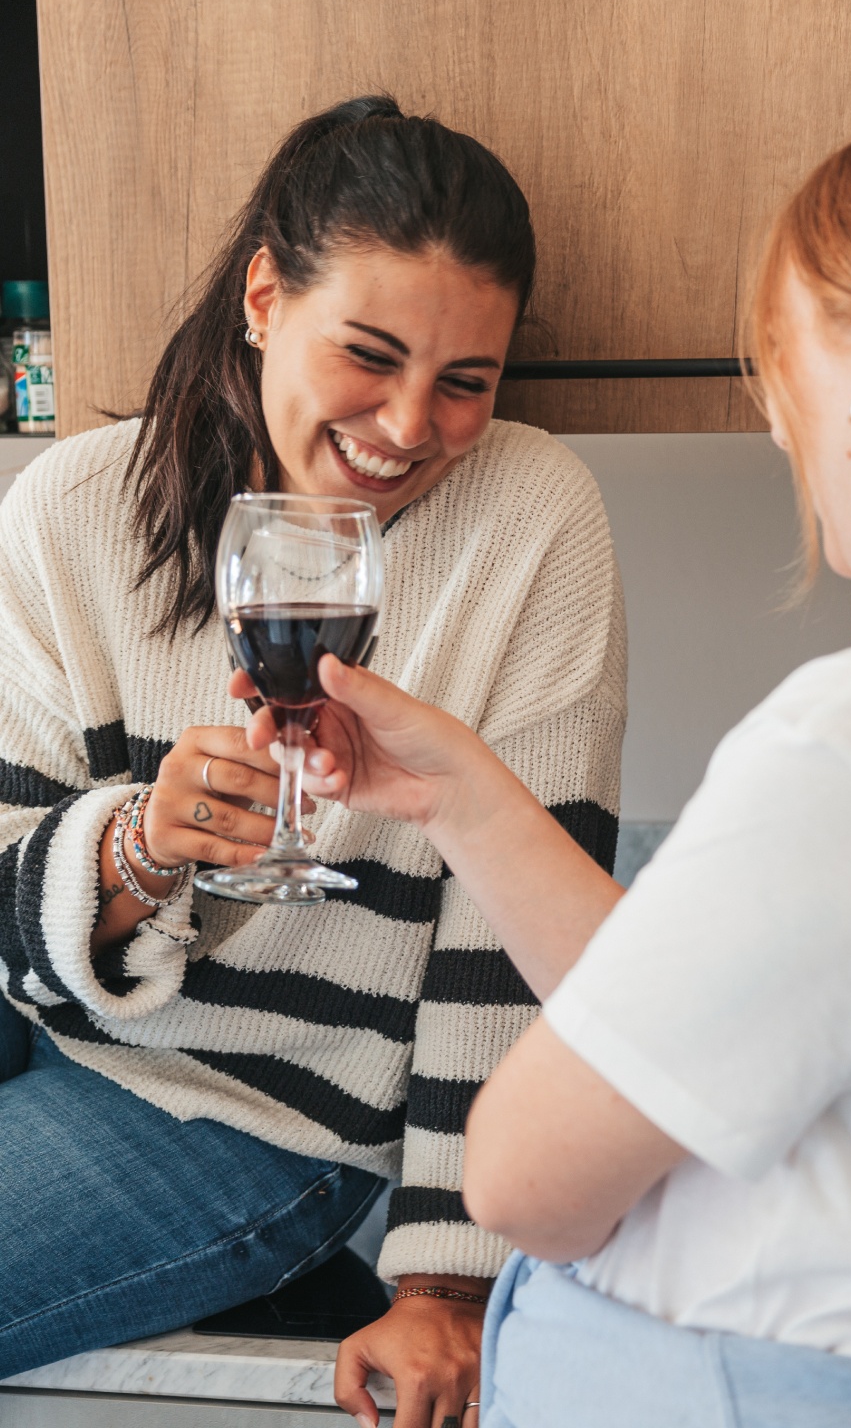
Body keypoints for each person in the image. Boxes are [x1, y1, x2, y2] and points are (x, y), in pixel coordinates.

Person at [277, 90, 851, 1427]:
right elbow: (696, 1025)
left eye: (783, 359)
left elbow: (524, 1180)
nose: (780, 423)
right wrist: (460, 796)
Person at [0, 95, 626, 1428]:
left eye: (467, 380)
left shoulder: (530, 515)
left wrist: (450, 1280)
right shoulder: (71, 510)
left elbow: (515, 946)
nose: (410, 426)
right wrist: (136, 847)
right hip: (56, 1056)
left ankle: (288, 1261)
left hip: (260, 1125)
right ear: (266, 296)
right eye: (373, 355)